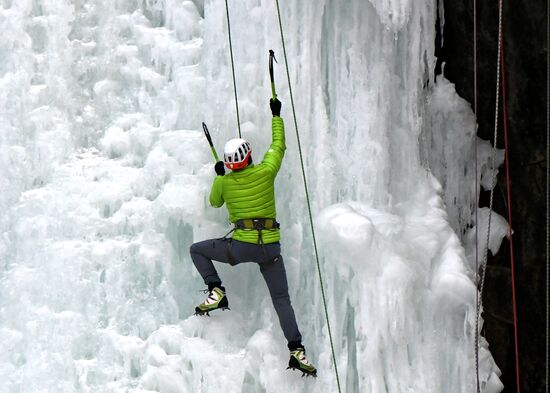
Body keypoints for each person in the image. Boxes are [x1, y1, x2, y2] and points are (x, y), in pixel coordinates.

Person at [189, 98, 317, 377]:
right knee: (282, 300)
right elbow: (278, 146)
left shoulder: (224, 180)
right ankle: (296, 349)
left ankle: (216, 290)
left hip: (241, 248)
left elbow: (214, 203)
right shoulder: (265, 171)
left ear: (228, 163)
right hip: (269, 249)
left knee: (197, 250)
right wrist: (276, 115)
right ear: (248, 157)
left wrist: (219, 176)